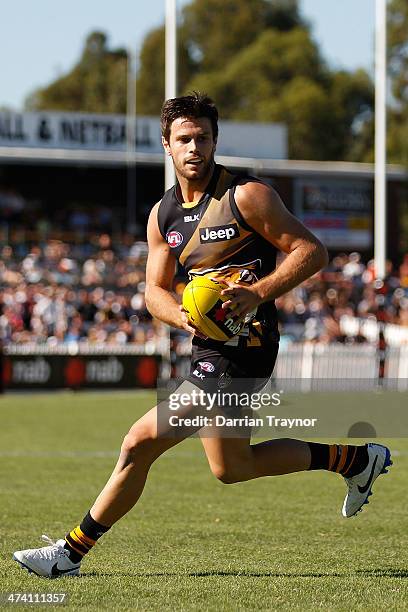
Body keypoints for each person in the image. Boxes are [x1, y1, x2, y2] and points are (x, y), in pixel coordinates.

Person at [13, 92, 392, 578]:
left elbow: (311, 251)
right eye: (184, 139)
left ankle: (69, 554)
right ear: (166, 145)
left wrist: (258, 292)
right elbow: (153, 292)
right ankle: (356, 461)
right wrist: (184, 316)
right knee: (231, 468)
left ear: (215, 141)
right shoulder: (161, 216)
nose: (195, 147)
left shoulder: (247, 196)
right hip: (206, 344)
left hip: (246, 348)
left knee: (138, 442)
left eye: (204, 138)